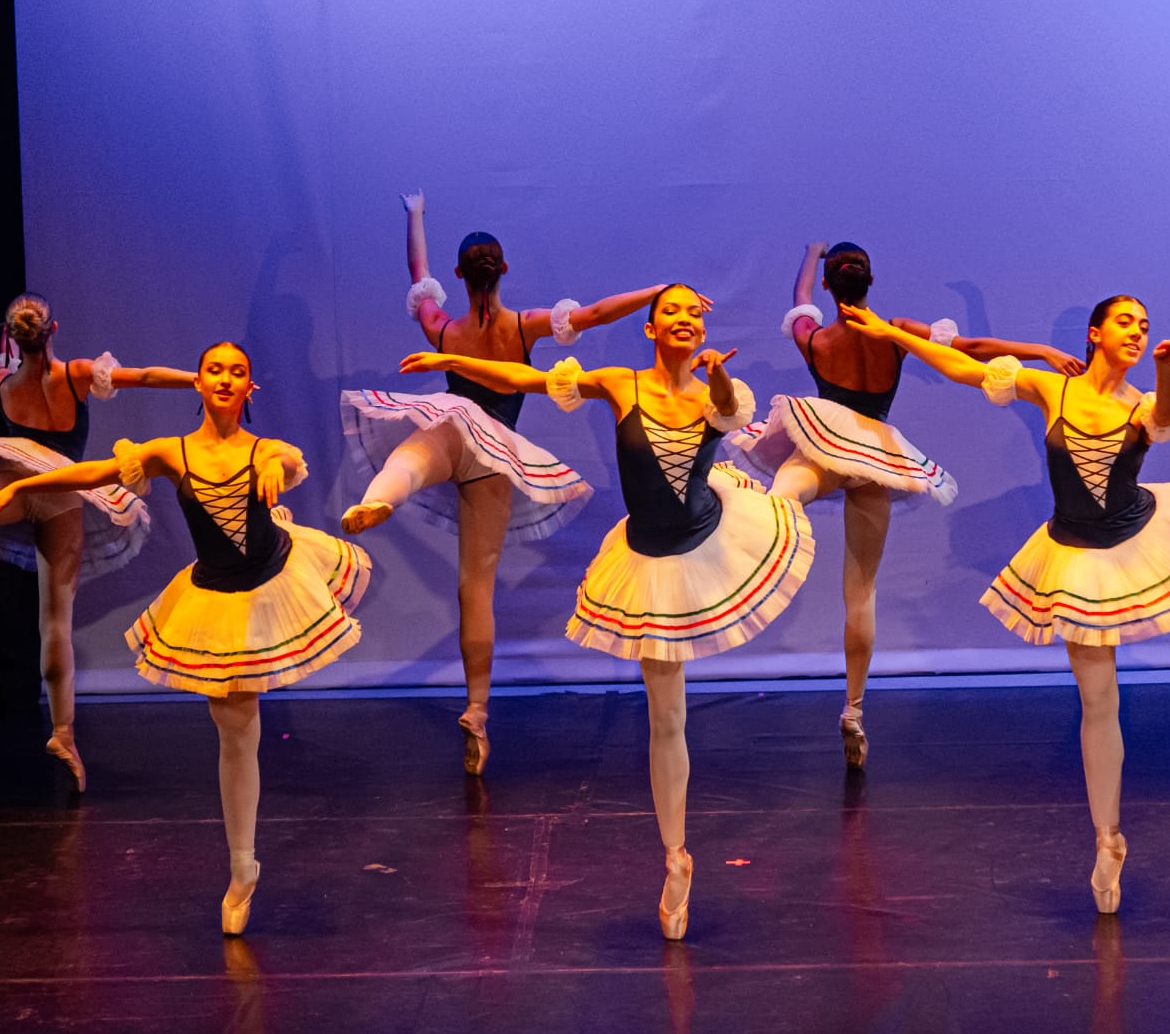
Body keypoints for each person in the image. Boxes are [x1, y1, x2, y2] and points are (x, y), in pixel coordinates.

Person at [399, 284, 814, 940]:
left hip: (705, 544)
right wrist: (453, 372)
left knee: (673, 711)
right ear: (650, 328)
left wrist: (722, 374)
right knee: (665, 715)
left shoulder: (715, 389)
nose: (682, 318)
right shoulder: (621, 382)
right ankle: (676, 856)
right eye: (670, 311)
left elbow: (731, 409)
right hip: (649, 561)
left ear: (702, 325)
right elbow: (528, 377)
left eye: (692, 311)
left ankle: (677, 854)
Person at [842, 296, 1170, 915]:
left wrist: (1164, 368)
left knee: (1118, 677)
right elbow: (962, 369)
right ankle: (1109, 838)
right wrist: (890, 331)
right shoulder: (1053, 388)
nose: (1137, 332)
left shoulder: (1139, 403)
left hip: (1133, 535)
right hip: (1076, 556)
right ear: (1094, 333)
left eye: (1144, 326)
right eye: (1125, 323)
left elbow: (1164, 416)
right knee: (1098, 702)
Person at [0, 341, 373, 935]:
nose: (224, 379)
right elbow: (95, 472)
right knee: (234, 734)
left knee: (244, 727)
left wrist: (274, 468)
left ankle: (243, 869)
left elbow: (287, 462)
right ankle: (244, 868)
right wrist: (23, 488)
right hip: (215, 595)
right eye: (215, 369)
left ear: (248, 389)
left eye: (237, 372)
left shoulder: (263, 450)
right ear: (199, 382)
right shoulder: (172, 452)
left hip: (272, 579)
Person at [339, 190, 669, 775]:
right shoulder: (523, 327)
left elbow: (418, 274)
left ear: (460, 275)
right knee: (476, 588)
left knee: (415, 453)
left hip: (452, 434)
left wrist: (415, 215)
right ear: (504, 270)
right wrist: (656, 293)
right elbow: (594, 314)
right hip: (497, 459)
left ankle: (376, 500)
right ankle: (477, 711)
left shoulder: (442, 329)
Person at [729, 241, 1082, 766]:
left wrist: (810, 253)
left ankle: (736, 526)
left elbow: (798, 296)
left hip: (823, 446)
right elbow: (974, 348)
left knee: (780, 500)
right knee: (861, 590)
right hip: (876, 458)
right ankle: (853, 708)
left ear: (831, 285)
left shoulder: (816, 337)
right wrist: (1043, 351)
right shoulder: (895, 332)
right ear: (869, 282)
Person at [0, 293, 197, 790]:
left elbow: (1, 365)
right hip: (63, 491)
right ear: (55, 330)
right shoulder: (78, 375)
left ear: (12, 336)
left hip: (12, 478)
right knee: (55, 623)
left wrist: (9, 346)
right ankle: (63, 733)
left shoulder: (1, 380)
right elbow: (147, 375)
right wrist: (195, 379)